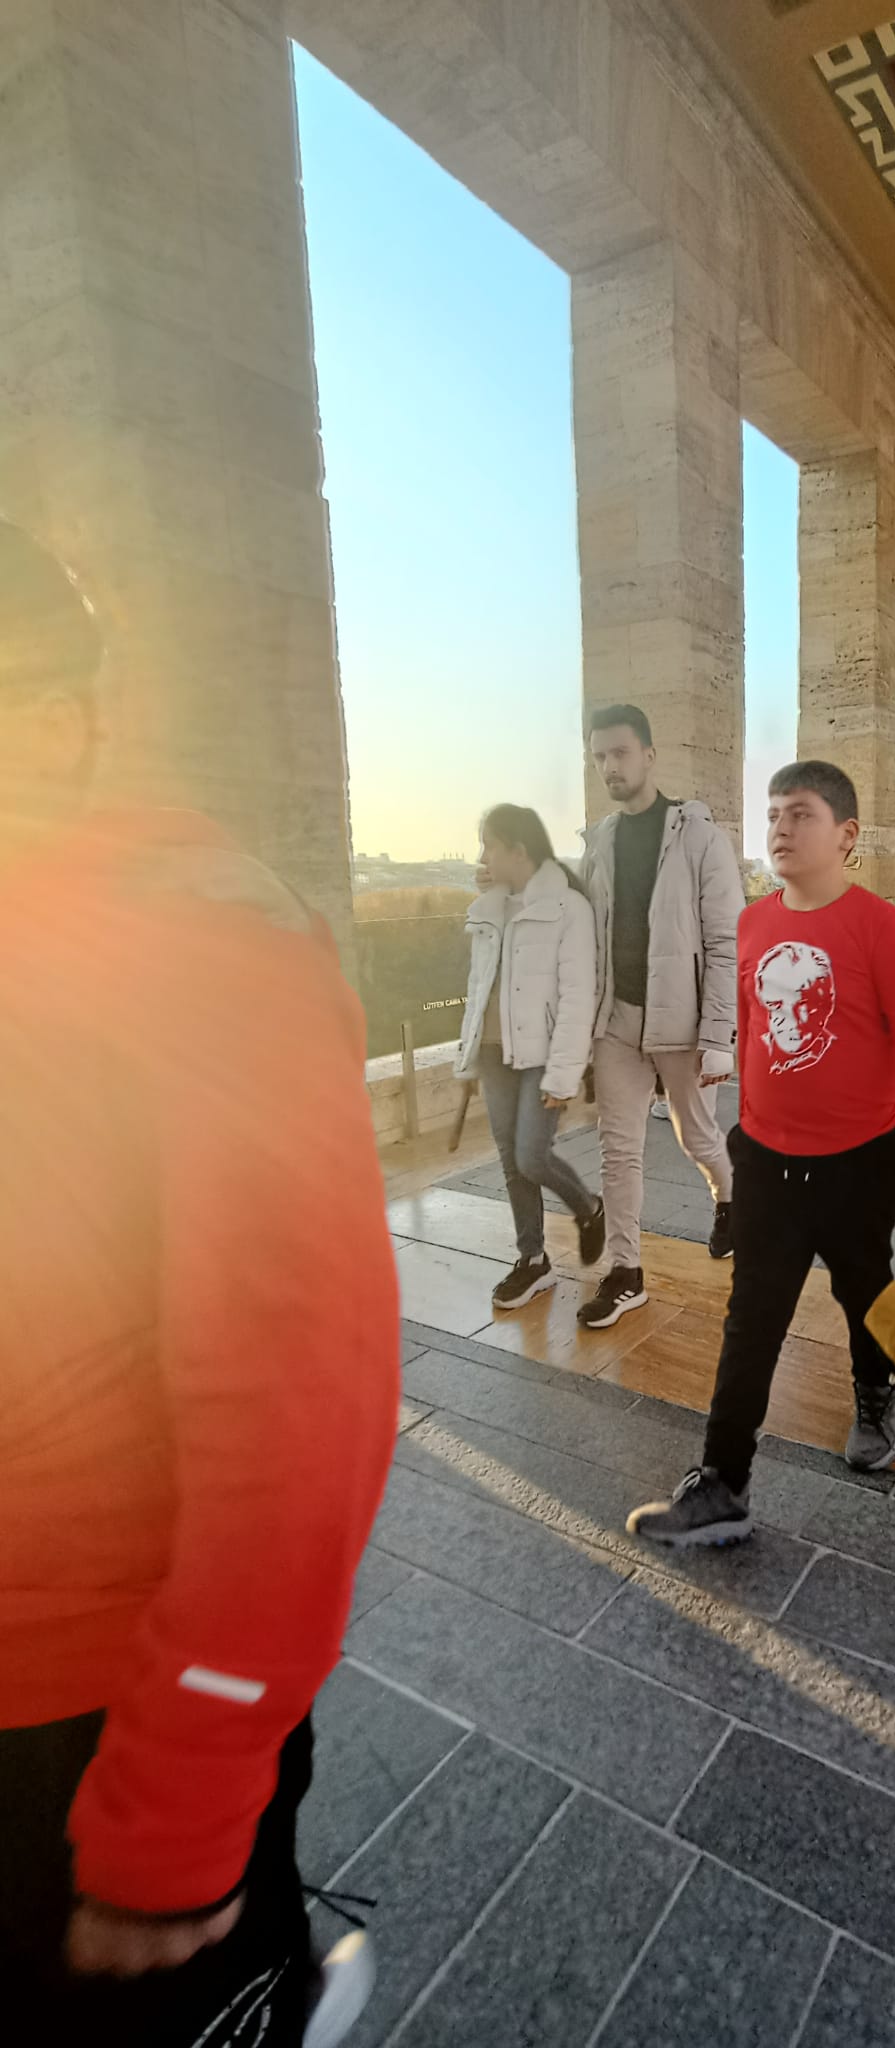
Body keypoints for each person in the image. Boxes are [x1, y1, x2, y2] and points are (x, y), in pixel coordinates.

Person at [0, 522, 398, 2043]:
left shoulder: (203, 939)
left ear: (51, 719)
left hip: (77, 1717)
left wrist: (175, 1813)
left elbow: (302, 1412)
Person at [626, 761, 895, 1546]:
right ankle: (722, 1481)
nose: (780, 828)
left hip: (860, 1163)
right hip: (767, 1162)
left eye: (800, 814)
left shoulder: (879, 927)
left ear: (846, 835)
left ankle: (875, 1392)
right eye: (774, 813)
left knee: (863, 1292)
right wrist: (743, 1125)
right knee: (752, 1317)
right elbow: (750, 1032)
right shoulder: (752, 924)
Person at [578, 706, 745, 1328]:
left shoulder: (699, 837)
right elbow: (581, 931)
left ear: (649, 755)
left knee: (695, 1135)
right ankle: (625, 1272)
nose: (609, 766)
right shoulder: (599, 842)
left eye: (620, 753)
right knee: (617, 1150)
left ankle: (730, 1197)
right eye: (599, 756)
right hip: (616, 1022)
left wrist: (719, 1035)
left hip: (682, 1021)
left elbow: (726, 941)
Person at [456, 804, 606, 1310]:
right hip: (493, 1052)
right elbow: (479, 986)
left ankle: (589, 1207)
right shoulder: (491, 906)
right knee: (510, 1161)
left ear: (517, 850)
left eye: (489, 846)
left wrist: (564, 1074)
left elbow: (577, 997)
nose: (482, 857)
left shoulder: (568, 908)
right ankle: (533, 1259)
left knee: (531, 1156)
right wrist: (467, 1053)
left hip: (542, 1055)